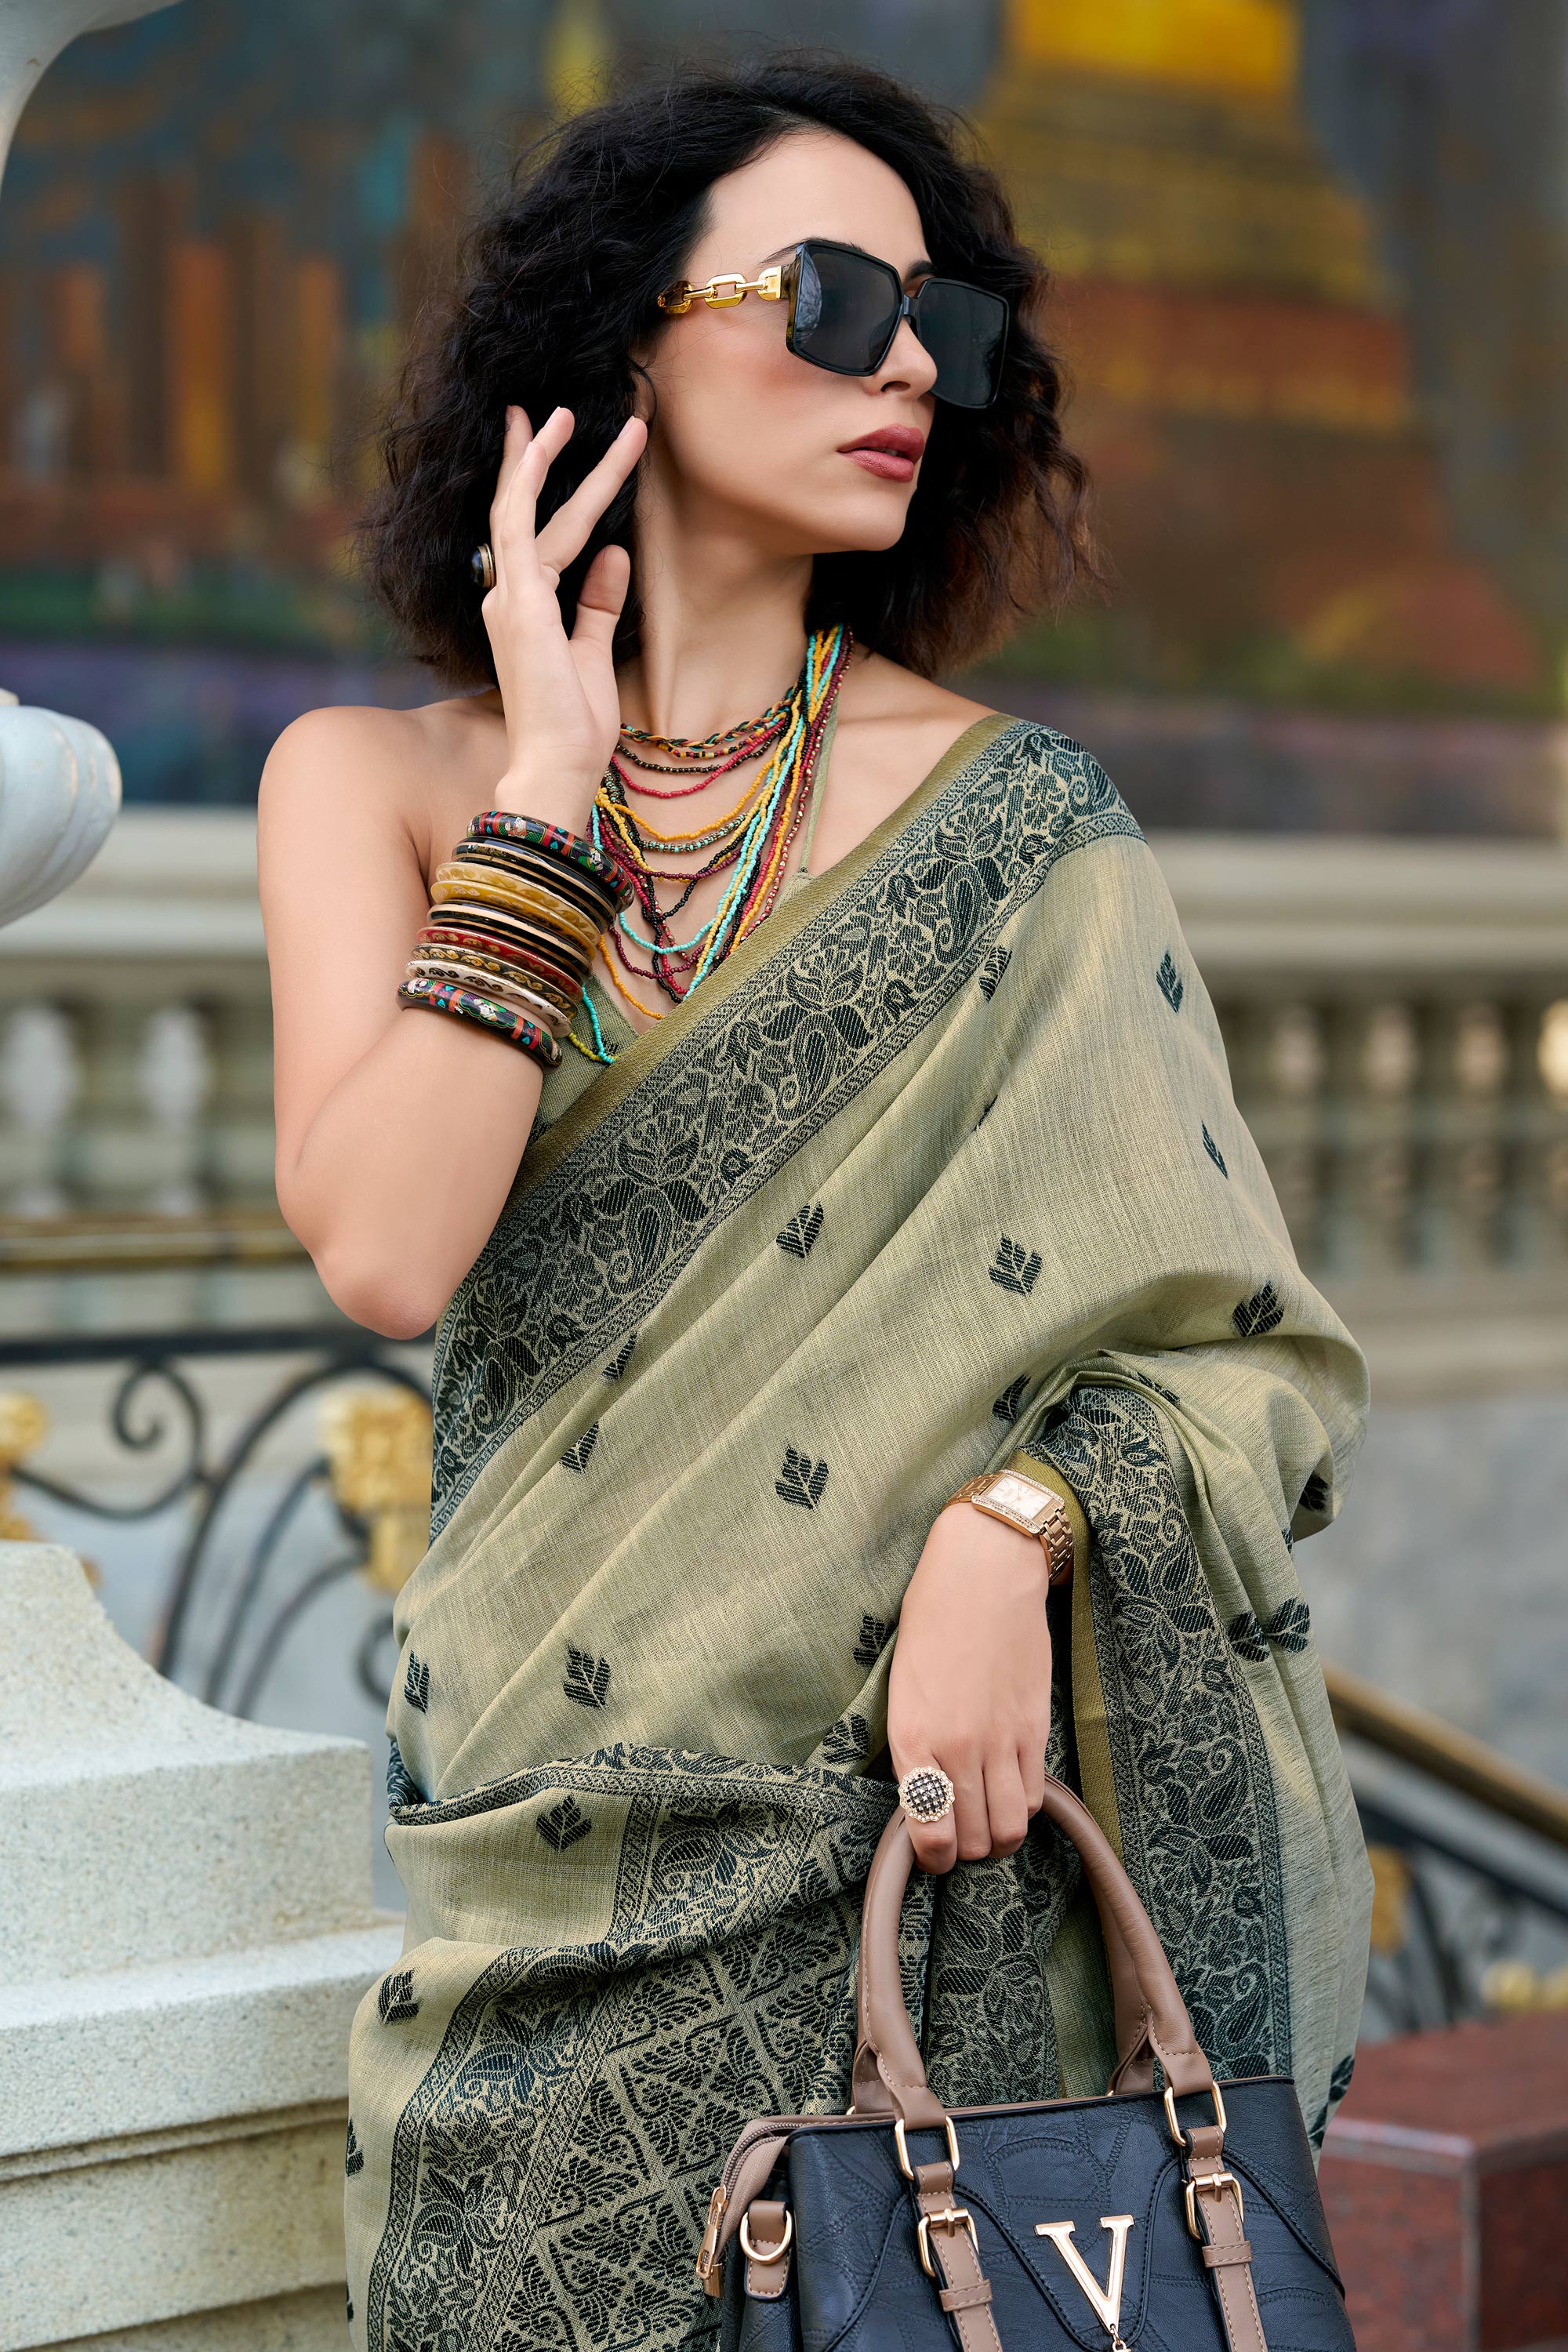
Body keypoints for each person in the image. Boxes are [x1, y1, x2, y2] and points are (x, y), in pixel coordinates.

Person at [258, 53, 1372, 2352]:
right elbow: (384, 1245)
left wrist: (1025, 1527)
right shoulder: (375, 784)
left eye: (942, 326)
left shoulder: (1026, 833)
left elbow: (1238, 1346)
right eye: (836, 301)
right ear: (625, 340)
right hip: (542, 1862)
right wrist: (552, 790)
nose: (908, 372)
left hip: (929, 1864)